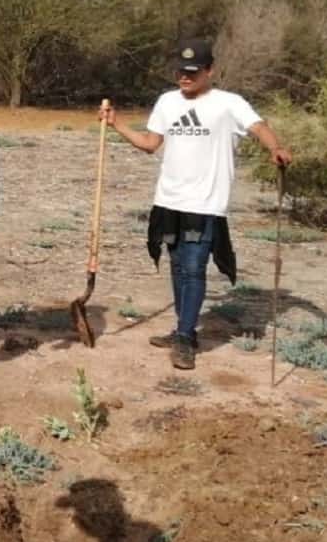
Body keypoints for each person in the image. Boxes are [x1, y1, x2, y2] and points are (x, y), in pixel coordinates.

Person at [100, 38, 291, 371]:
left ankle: (187, 337)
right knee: (176, 266)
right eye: (180, 72)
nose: (184, 77)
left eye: (192, 72)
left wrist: (275, 147)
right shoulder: (166, 102)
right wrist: (116, 124)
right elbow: (149, 144)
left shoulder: (229, 103)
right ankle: (182, 328)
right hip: (168, 200)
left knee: (193, 267)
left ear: (209, 70)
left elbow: (258, 126)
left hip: (205, 203)